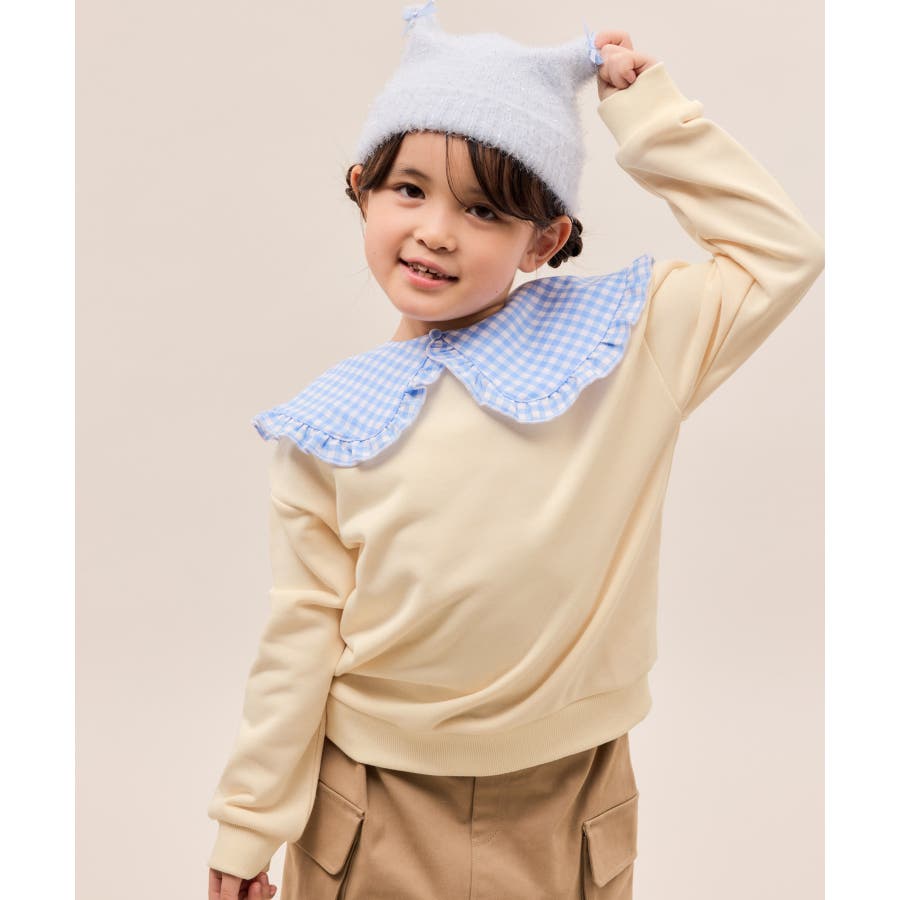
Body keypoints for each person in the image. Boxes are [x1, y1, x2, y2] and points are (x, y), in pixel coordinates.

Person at [206, 4, 824, 899]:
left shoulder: (626, 344)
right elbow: (300, 637)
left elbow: (781, 254)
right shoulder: (328, 425)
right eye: (408, 189)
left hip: (569, 799)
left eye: (484, 208)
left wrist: (648, 116)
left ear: (545, 239)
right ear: (361, 189)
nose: (436, 230)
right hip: (374, 803)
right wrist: (247, 825)